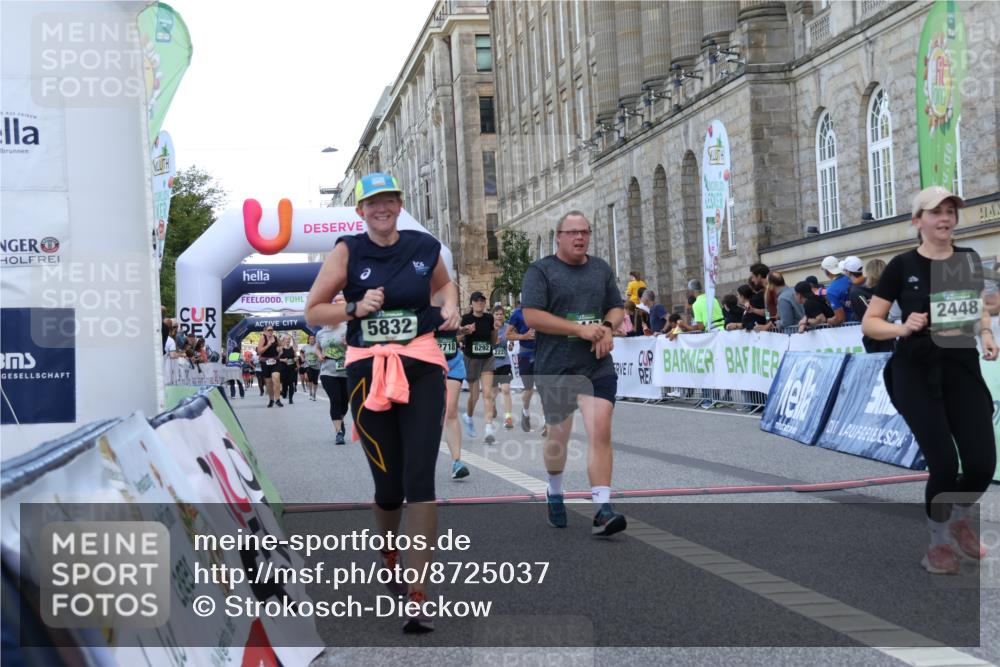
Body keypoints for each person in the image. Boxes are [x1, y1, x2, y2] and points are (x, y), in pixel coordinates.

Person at [304, 172, 459, 632]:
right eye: (373, 203)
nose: (382, 208)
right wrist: (353, 308)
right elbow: (314, 310)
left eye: (388, 200)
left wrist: (448, 305)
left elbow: (444, 286)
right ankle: (388, 551)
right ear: (361, 211)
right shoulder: (347, 251)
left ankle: (418, 593)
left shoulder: (421, 245)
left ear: (398, 203)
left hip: (422, 365)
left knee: (419, 479)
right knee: (389, 486)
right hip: (366, 372)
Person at [862, 186, 998, 575]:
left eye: (951, 211)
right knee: (942, 462)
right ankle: (938, 544)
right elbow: (872, 323)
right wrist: (902, 327)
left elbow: (980, 306)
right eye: (936, 212)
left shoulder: (967, 259)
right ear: (917, 220)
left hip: (961, 365)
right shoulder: (902, 266)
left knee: (981, 462)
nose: (945, 219)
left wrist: (986, 333)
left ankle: (958, 517)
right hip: (915, 369)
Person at [521, 210, 627, 537]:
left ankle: (602, 509)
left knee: (601, 428)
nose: (580, 237)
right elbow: (532, 316)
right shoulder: (541, 271)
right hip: (557, 367)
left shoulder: (600, 269)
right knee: (559, 438)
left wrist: (607, 328)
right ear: (559, 237)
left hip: (595, 364)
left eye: (584, 231)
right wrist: (579, 329)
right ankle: (554, 491)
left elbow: (615, 307)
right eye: (572, 233)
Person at [459, 291, 497, 442]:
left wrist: (494, 329)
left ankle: (488, 428)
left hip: (487, 358)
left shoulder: (489, 317)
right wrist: (465, 331)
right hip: (471, 359)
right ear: (471, 304)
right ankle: (468, 417)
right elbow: (458, 339)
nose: (480, 303)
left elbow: (493, 341)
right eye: (477, 301)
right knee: (474, 396)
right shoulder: (466, 318)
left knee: (487, 393)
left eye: (482, 301)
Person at [316, 312, 349, 444]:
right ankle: (338, 432)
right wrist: (319, 355)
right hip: (327, 371)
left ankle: (340, 420)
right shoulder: (321, 333)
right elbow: (317, 347)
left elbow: (358, 345)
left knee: (344, 403)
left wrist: (347, 344)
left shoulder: (346, 327)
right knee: (335, 400)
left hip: (346, 370)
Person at [506, 301, 538, 432]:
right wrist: (523, 336)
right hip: (525, 355)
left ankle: (548, 424)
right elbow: (508, 335)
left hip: (542, 354)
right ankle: (525, 411)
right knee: (529, 389)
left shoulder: (542, 310)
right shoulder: (517, 314)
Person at [486, 304, 515, 433]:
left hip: (504, 362)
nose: (499, 316)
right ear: (493, 316)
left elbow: (512, 338)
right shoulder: (488, 328)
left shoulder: (508, 327)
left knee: (506, 389)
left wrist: (510, 345)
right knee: (492, 393)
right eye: (496, 314)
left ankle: (508, 417)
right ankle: (494, 408)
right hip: (491, 364)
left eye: (501, 314)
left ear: (504, 316)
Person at [820, 255, 852, 325]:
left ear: (827, 272)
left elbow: (840, 318)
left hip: (851, 327)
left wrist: (829, 321)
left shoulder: (831, 290)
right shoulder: (851, 279)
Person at [257, 327, 283, 407]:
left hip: (275, 361)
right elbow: (259, 351)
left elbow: (281, 346)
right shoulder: (262, 338)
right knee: (269, 383)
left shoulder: (275, 338)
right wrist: (268, 345)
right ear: (264, 331)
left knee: (276, 378)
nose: (271, 331)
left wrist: (279, 349)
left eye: (272, 330)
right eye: (269, 330)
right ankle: (271, 399)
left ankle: (278, 399)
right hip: (265, 362)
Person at [278, 334, 298, 405]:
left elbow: (296, 357)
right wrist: (283, 360)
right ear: (283, 340)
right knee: (285, 385)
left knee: (291, 384)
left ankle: (290, 399)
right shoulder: (281, 349)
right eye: (286, 339)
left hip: (291, 368)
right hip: (283, 369)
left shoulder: (292, 348)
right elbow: (277, 359)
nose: (288, 340)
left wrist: (296, 360)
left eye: (289, 339)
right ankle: (283, 392)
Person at [302, 333, 323, 401]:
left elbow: (321, 353)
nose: (312, 340)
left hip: (316, 365)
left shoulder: (317, 346)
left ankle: (314, 394)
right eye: (310, 338)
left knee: (315, 381)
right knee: (309, 378)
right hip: (308, 365)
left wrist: (320, 357)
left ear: (315, 340)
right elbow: (301, 352)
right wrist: (302, 358)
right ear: (308, 340)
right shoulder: (305, 347)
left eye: (313, 339)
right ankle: (310, 393)